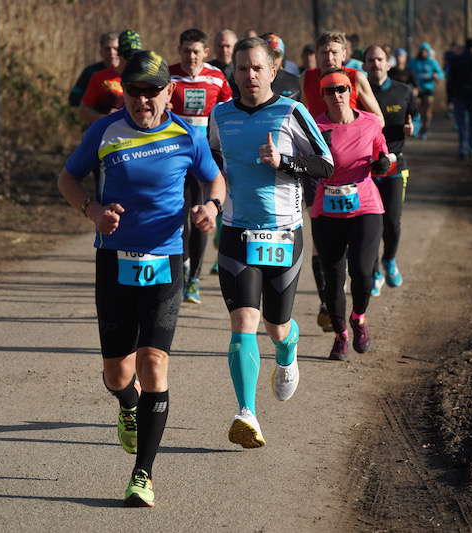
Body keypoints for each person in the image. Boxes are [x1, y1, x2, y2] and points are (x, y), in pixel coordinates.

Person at [57, 49, 226, 507]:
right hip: (114, 261)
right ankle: (127, 405)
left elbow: (215, 180)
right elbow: (68, 179)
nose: (143, 100)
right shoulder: (104, 131)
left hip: (166, 261)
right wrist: (91, 209)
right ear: (124, 93)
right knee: (117, 373)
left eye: (153, 91)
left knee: (154, 363)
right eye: (134, 91)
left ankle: (142, 474)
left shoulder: (186, 135)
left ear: (169, 92)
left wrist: (210, 208)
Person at [208, 37, 333, 448]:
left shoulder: (291, 111)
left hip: (283, 233)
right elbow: (213, 165)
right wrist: (209, 204)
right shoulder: (220, 115)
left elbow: (326, 164)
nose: (250, 76)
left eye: (257, 68)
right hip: (237, 233)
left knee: (277, 327)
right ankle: (247, 413)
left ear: (272, 71)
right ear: (234, 72)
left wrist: (286, 163)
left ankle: (287, 351)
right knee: (244, 321)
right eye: (242, 69)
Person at [300, 30, 384, 331]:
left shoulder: (355, 76)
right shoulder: (308, 77)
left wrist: (357, 133)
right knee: (319, 243)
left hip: (353, 159)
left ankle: (357, 287)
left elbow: (379, 119)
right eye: (324, 53)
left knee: (357, 258)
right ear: (316, 55)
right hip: (319, 161)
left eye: (334, 52)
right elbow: (303, 113)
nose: (329, 58)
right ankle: (328, 300)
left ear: (344, 54)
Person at [310, 70, 389, 360]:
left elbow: (383, 156)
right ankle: (341, 335)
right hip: (326, 209)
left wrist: (382, 164)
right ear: (322, 96)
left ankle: (359, 317)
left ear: (351, 92)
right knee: (332, 277)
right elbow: (303, 162)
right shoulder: (314, 125)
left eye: (342, 89)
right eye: (330, 91)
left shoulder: (369, 122)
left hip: (365, 206)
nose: (337, 95)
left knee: (363, 273)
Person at [169, 28, 233, 304]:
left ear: (205, 53)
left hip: (205, 156)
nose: (191, 56)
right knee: (178, 214)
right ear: (179, 50)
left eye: (196, 51)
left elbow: (229, 113)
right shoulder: (168, 75)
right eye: (186, 51)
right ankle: (182, 264)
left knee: (201, 214)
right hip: (173, 154)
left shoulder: (217, 78)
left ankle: (193, 279)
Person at [363, 44, 417, 297]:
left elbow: (413, 117)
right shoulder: (360, 93)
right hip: (367, 167)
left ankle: (389, 260)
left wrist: (411, 127)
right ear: (364, 65)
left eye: (380, 59)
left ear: (388, 63)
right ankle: (374, 271)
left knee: (392, 223)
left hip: (395, 165)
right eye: (371, 60)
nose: (375, 64)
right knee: (371, 224)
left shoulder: (403, 91)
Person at [79, 29, 142, 126]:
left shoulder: (144, 78)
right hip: (105, 133)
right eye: (127, 54)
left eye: (135, 54)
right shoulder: (98, 76)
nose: (112, 53)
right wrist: (104, 118)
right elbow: (83, 110)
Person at [447, 38, 472, 161]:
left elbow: (450, 82)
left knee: (462, 124)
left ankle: (463, 150)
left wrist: (449, 98)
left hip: (459, 96)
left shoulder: (455, 61)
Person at [68, 32, 119, 108]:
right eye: (107, 49)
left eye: (116, 48)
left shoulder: (128, 72)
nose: (112, 52)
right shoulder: (90, 72)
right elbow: (74, 98)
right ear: (101, 51)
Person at [408, 42, 444, 139]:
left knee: (427, 110)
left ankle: (425, 127)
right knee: (418, 109)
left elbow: (441, 73)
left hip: (428, 88)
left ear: (428, 52)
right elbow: (407, 72)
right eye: (422, 51)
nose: (423, 53)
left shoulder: (432, 62)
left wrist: (437, 76)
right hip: (417, 89)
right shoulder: (413, 62)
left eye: (425, 51)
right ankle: (418, 128)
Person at [261, 32, 300, 99]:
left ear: (282, 57)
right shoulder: (251, 80)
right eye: (269, 53)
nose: (273, 58)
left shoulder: (296, 82)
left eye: (277, 54)